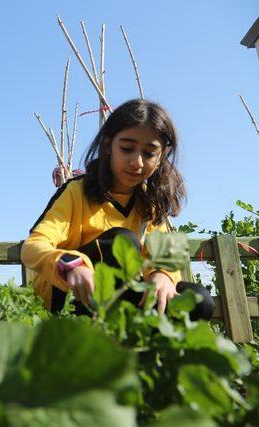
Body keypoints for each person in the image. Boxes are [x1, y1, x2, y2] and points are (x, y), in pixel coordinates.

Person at [21, 99, 214, 320]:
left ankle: (149, 350)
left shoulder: (149, 203)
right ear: (107, 145)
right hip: (69, 299)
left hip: (123, 299)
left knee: (199, 300)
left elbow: (163, 256)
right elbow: (34, 247)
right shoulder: (76, 192)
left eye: (149, 153)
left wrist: (162, 275)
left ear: (161, 157)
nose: (137, 162)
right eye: (127, 149)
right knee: (122, 241)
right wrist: (72, 266)